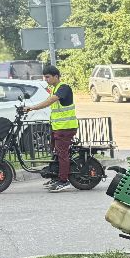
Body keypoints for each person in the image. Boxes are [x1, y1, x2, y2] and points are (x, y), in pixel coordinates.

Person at [21, 64, 78, 192]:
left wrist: (32, 107)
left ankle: (64, 181)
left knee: (62, 154)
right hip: (58, 128)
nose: (46, 80)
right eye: (45, 77)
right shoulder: (54, 88)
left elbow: (50, 101)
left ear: (56, 76)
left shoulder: (64, 88)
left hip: (66, 128)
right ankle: (57, 177)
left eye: (48, 77)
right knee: (56, 153)